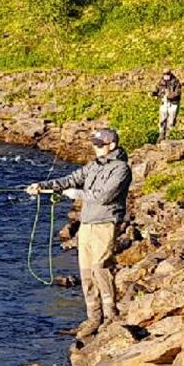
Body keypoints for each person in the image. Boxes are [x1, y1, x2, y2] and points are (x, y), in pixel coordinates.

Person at [26, 128, 132, 339]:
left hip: (105, 223)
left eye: (99, 144)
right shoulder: (93, 166)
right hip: (86, 225)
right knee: (86, 273)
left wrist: (78, 194)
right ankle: (93, 318)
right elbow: (70, 179)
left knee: (100, 268)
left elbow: (104, 196)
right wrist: (42, 186)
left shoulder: (122, 169)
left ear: (111, 145)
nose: (95, 147)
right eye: (94, 143)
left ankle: (111, 315)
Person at [153, 69, 182, 141]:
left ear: (170, 74)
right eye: (164, 74)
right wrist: (154, 93)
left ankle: (170, 136)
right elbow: (156, 89)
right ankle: (161, 136)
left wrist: (169, 96)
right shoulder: (161, 82)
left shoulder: (176, 82)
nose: (166, 75)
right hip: (164, 103)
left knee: (171, 121)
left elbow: (177, 93)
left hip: (173, 104)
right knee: (162, 120)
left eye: (167, 74)